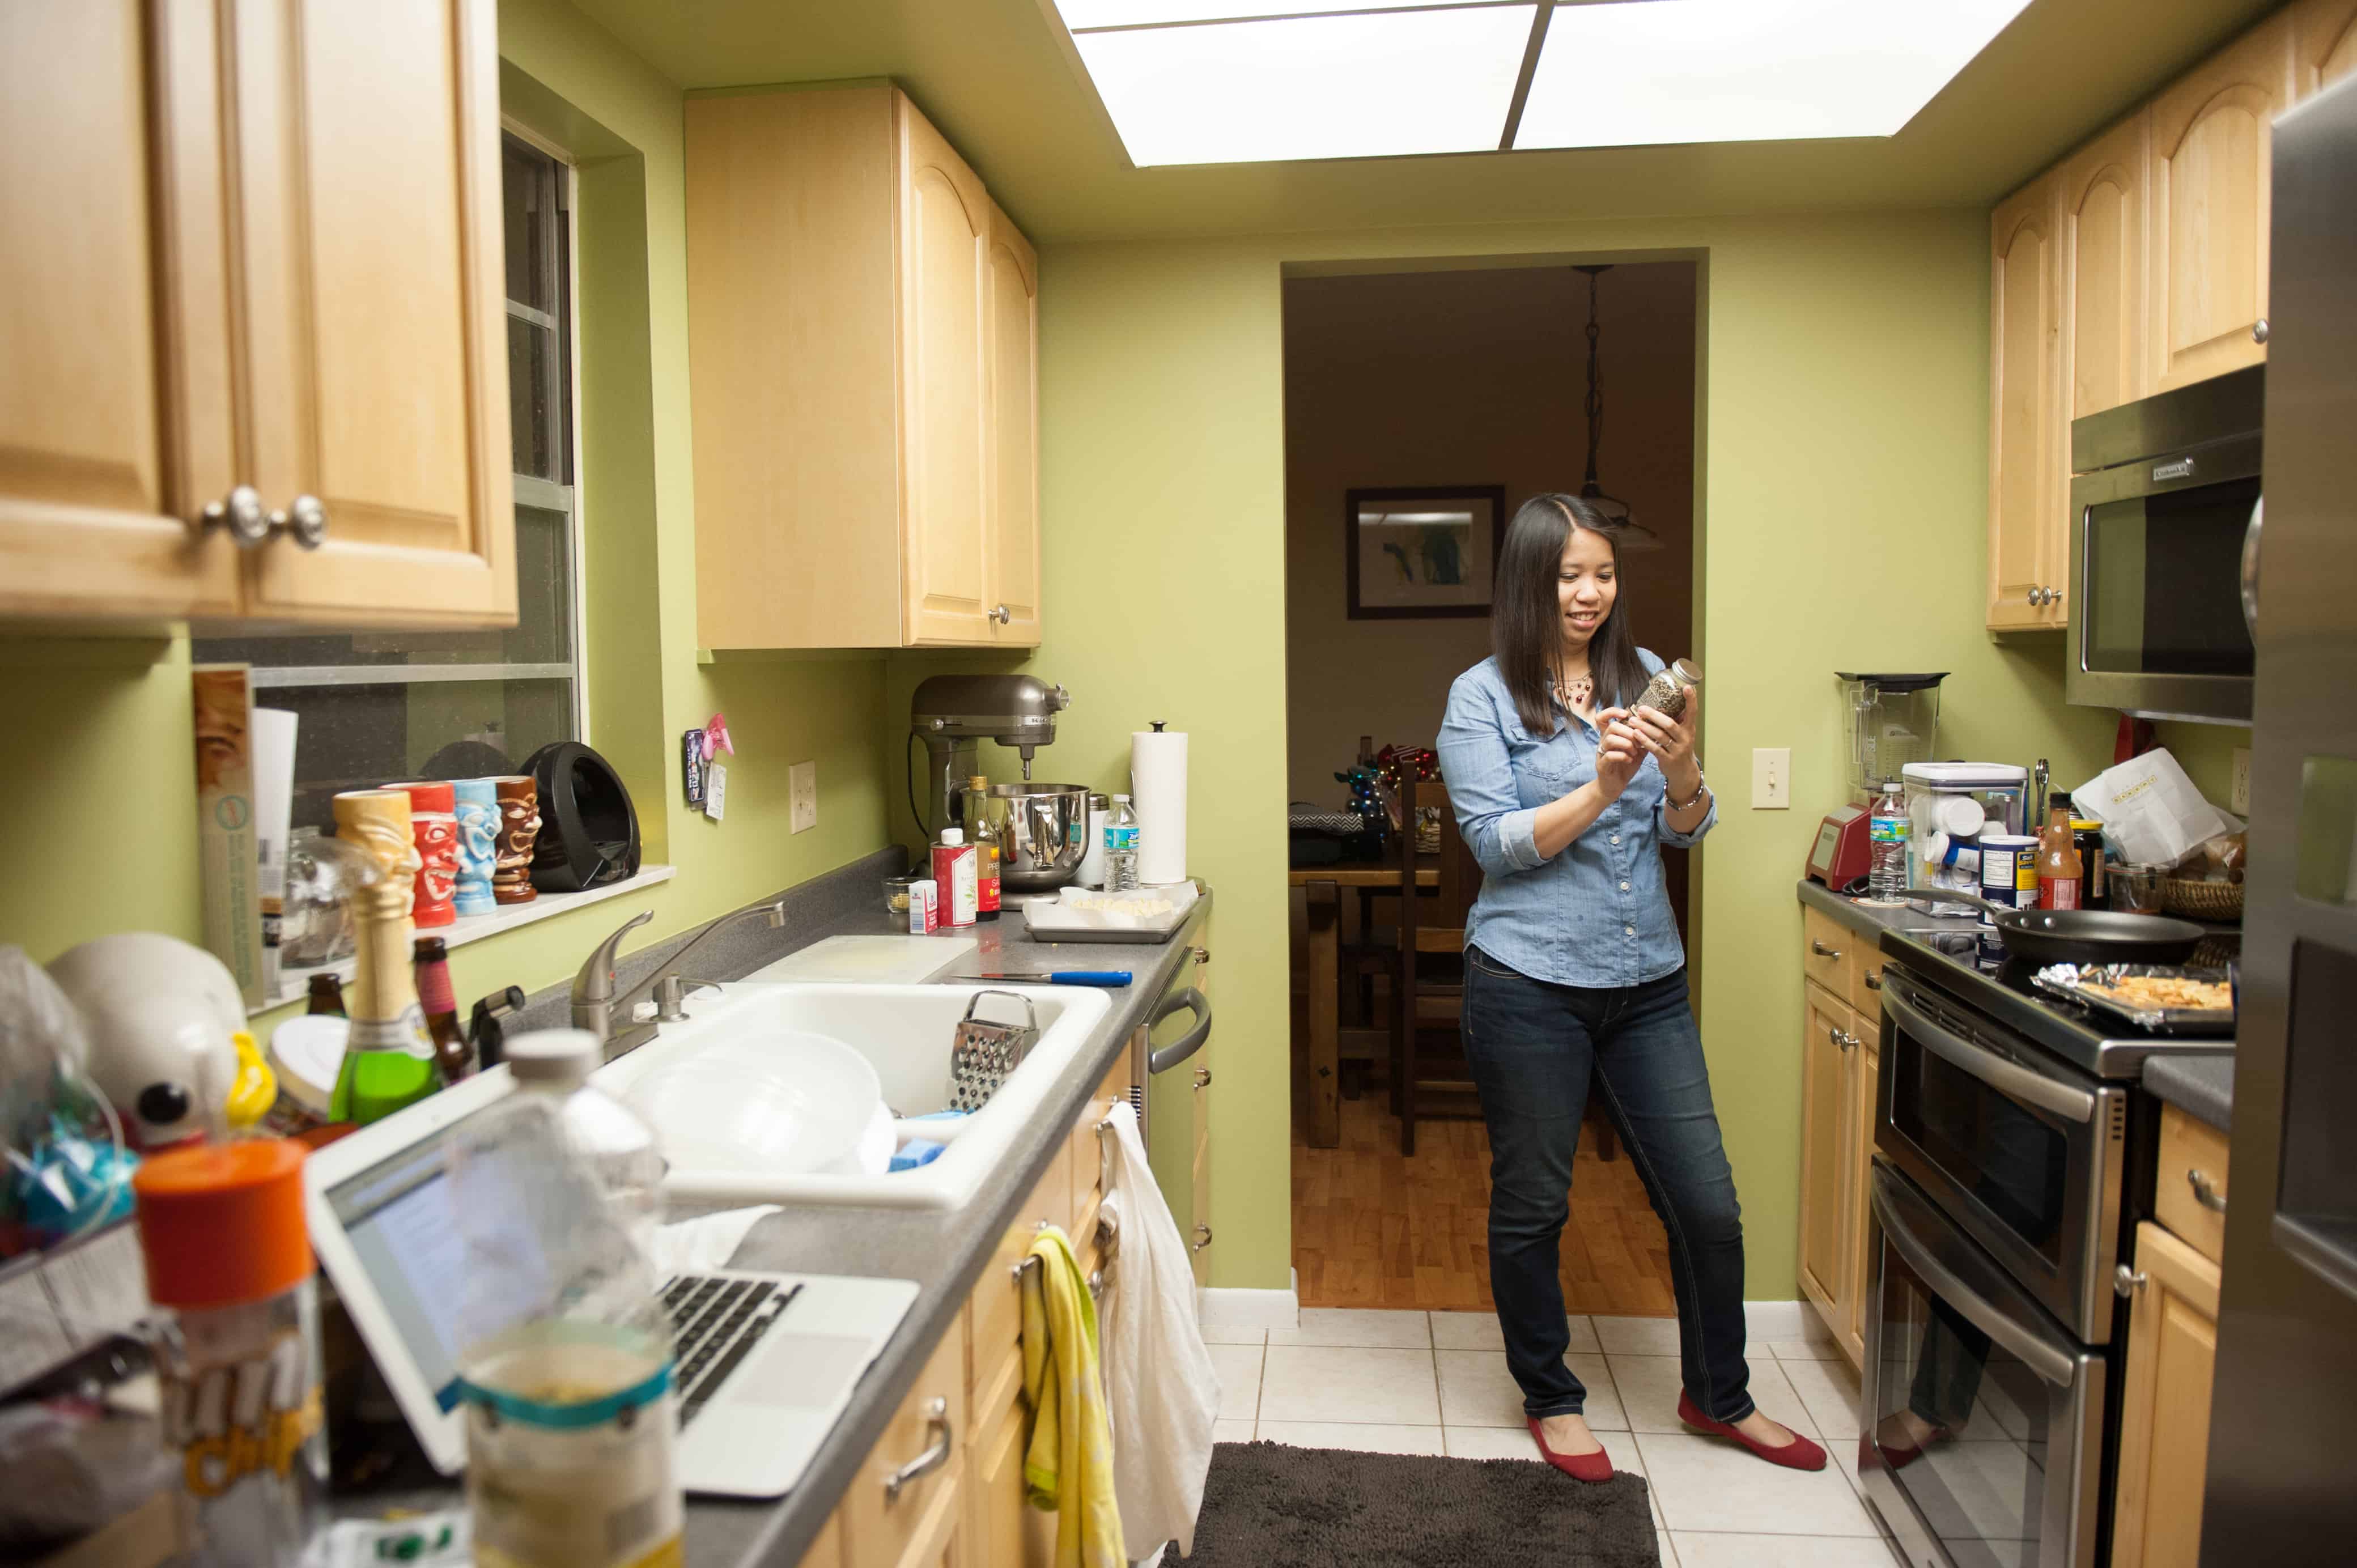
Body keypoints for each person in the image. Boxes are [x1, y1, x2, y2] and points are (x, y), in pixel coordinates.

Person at [1436, 492, 1825, 1481]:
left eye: (1603, 573)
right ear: (1529, 579)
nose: (1589, 592)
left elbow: (1684, 831)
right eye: (1569, 574)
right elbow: (1495, 846)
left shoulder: (1650, 680)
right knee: (1535, 1203)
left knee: (1707, 1204)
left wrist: (1685, 772)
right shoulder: (1480, 698)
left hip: (1647, 979)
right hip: (1526, 982)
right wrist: (1601, 788)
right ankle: (1552, 1398)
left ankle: (1719, 1396)